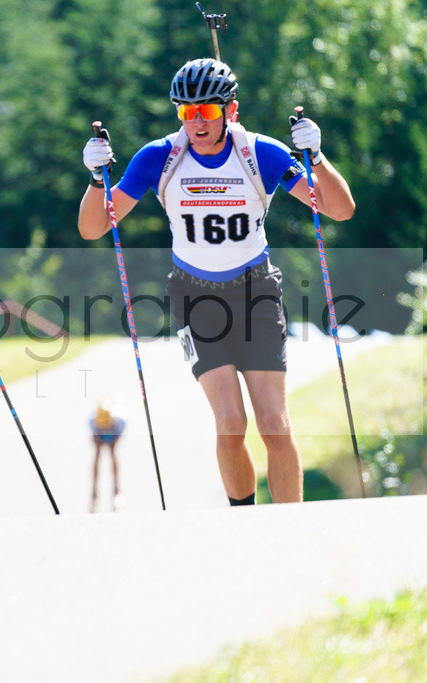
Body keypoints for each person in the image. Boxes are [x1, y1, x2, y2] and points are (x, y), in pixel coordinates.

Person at [77, 58, 355, 506]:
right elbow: (93, 227)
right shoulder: (158, 157)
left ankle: (293, 531)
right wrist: (95, 179)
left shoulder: (260, 153)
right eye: (186, 113)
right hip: (194, 296)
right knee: (231, 423)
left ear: (232, 110)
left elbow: (339, 210)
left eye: (207, 111)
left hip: (257, 290)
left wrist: (317, 160)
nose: (197, 123)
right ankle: (243, 521)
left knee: (274, 424)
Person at [90, 399, 126, 512]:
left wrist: (113, 441)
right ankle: (94, 487)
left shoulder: (120, 423)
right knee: (97, 455)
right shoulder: (92, 422)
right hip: (99, 436)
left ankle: (116, 486)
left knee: (113, 453)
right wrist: (97, 440)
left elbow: (118, 438)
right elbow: (93, 438)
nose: (104, 428)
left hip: (113, 434)